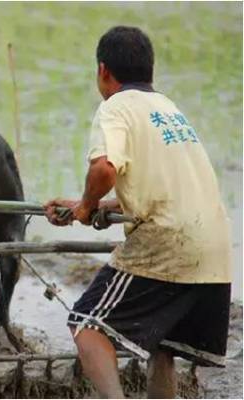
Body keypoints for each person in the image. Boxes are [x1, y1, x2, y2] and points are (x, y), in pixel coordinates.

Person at [44, 26, 232, 398]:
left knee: (87, 324)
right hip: (215, 248)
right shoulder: (169, 109)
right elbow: (164, 191)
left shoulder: (115, 108)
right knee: (163, 346)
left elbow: (103, 170)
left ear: (103, 71)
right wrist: (91, 205)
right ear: (150, 71)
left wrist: (84, 207)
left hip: (167, 242)